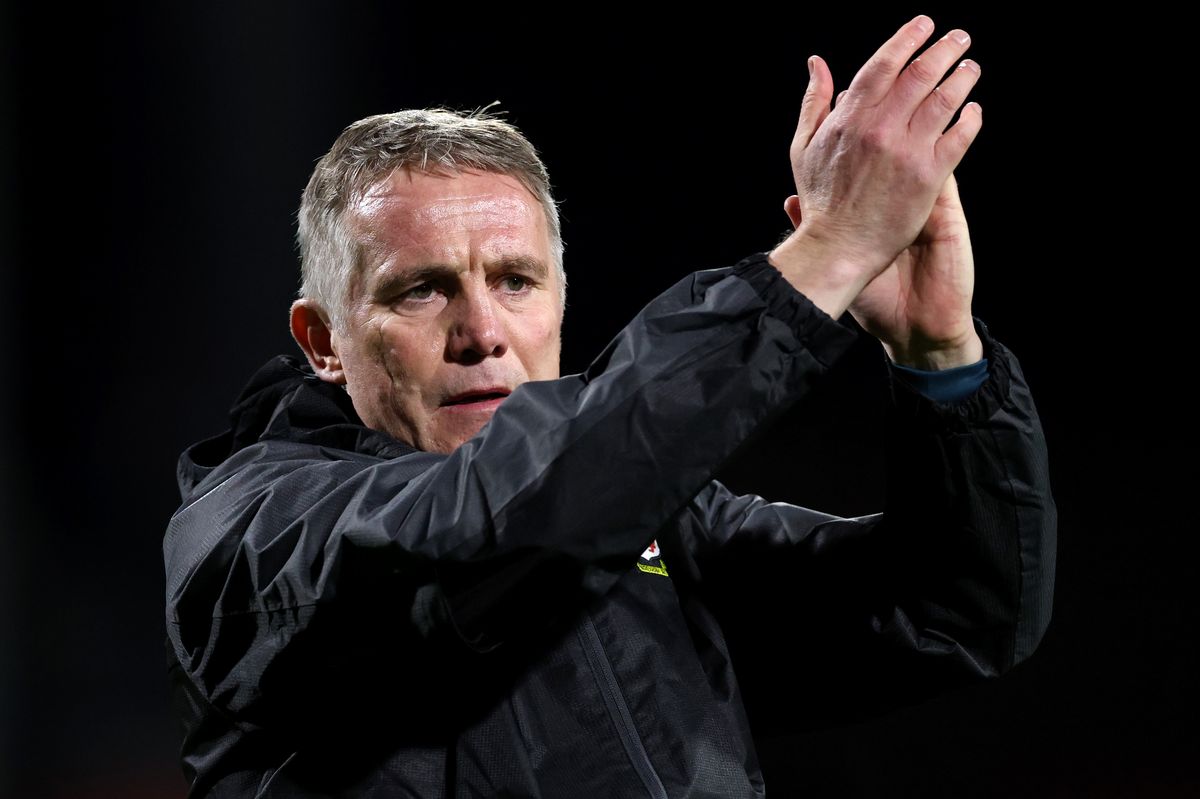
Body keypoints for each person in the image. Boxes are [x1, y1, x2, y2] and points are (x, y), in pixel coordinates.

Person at [163, 15, 1056, 797]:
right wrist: (825, 256)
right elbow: (498, 525)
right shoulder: (251, 531)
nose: (483, 330)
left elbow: (949, 614)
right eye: (421, 291)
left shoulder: (659, 524)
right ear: (323, 341)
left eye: (515, 281)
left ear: (560, 301)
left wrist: (941, 360)